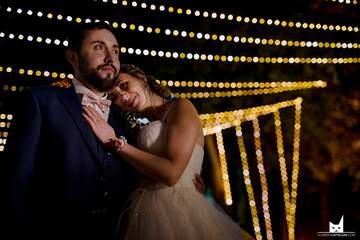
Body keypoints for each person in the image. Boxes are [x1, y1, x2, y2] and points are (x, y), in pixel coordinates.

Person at [0, 22, 204, 240]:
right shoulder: (41, 101)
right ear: (73, 57)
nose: (110, 57)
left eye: (115, 50)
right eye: (99, 47)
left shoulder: (125, 120)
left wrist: (190, 182)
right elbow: (15, 182)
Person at [82, 64, 255, 240]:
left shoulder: (181, 107)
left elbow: (172, 174)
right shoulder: (139, 127)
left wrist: (117, 144)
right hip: (145, 210)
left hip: (180, 210)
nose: (123, 97)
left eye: (124, 86)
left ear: (141, 78)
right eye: (114, 96)